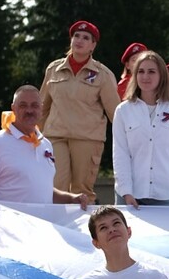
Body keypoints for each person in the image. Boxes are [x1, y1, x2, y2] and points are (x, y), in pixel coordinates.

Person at [0, 85, 89, 210]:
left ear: (41, 108)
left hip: (41, 227)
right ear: (13, 108)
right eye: (23, 105)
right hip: (9, 228)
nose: (29, 110)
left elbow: (44, 191)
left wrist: (72, 198)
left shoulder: (46, 144)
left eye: (34, 105)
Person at [38, 20, 120, 202]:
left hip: (88, 139)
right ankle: (57, 229)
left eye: (86, 38)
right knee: (55, 187)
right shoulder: (54, 69)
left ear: (93, 45)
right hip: (55, 136)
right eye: (76, 36)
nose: (79, 40)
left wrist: (129, 141)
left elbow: (116, 113)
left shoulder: (103, 74)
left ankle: (83, 230)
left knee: (81, 190)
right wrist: (34, 136)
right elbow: (42, 107)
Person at [112, 51, 169, 211]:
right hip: (131, 194)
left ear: (162, 76)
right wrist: (126, 192)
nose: (145, 76)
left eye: (151, 71)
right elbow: (120, 154)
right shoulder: (123, 110)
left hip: (168, 195)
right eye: (141, 71)